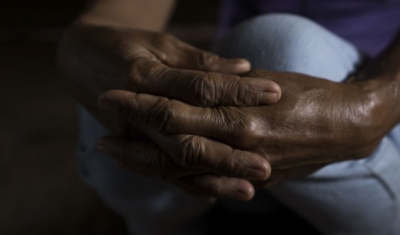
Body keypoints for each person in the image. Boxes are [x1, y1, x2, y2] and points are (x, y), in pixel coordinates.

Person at [57, 0, 400, 234]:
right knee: (125, 82)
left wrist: (375, 104)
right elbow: (121, 18)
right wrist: (87, 40)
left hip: (381, 114)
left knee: (283, 49)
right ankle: (161, 226)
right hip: (237, 73)